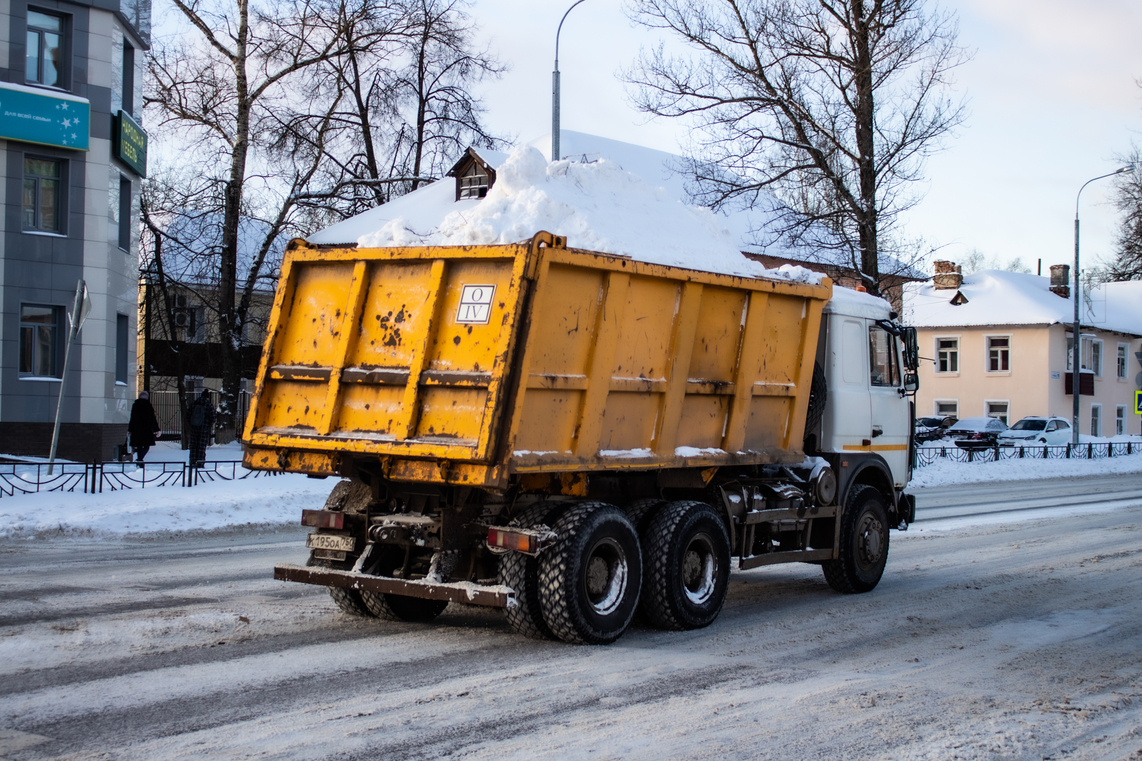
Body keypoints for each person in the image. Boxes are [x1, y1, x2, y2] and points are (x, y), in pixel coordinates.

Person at [128, 391, 161, 463]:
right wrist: (157, 429)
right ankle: (140, 460)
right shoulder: (148, 405)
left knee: (139, 446)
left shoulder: (135, 405)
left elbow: (132, 418)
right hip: (147, 430)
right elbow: (153, 419)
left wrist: (130, 429)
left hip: (137, 429)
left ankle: (139, 461)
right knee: (146, 446)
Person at [188, 389, 216, 467]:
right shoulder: (208, 404)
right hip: (204, 429)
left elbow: (188, 415)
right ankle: (200, 463)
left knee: (193, 445)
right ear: (207, 397)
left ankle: (192, 462)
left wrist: (191, 424)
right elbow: (213, 417)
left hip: (194, 428)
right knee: (201, 446)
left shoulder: (194, 403)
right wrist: (208, 425)